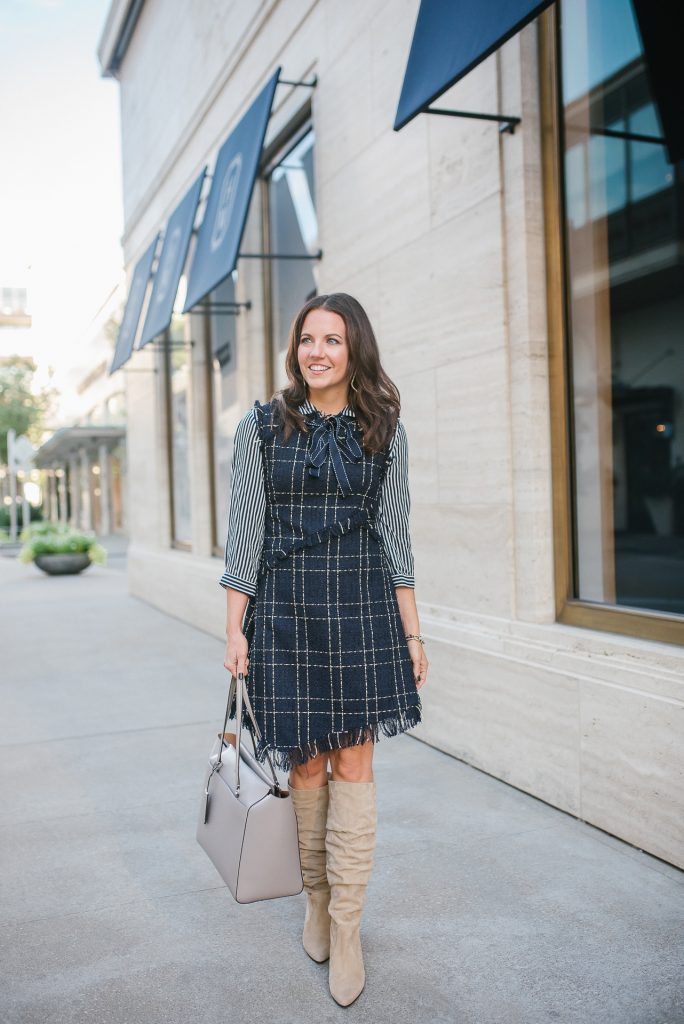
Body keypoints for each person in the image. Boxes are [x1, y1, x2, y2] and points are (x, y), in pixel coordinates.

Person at [219, 292, 428, 1007]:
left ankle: (348, 925)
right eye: (307, 339)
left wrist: (412, 631)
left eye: (332, 340)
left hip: (363, 607)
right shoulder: (261, 427)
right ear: (295, 349)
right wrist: (233, 629)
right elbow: (244, 534)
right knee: (305, 767)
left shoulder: (385, 431)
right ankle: (315, 900)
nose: (317, 351)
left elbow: (395, 538)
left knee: (356, 763)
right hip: (285, 612)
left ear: (353, 349)